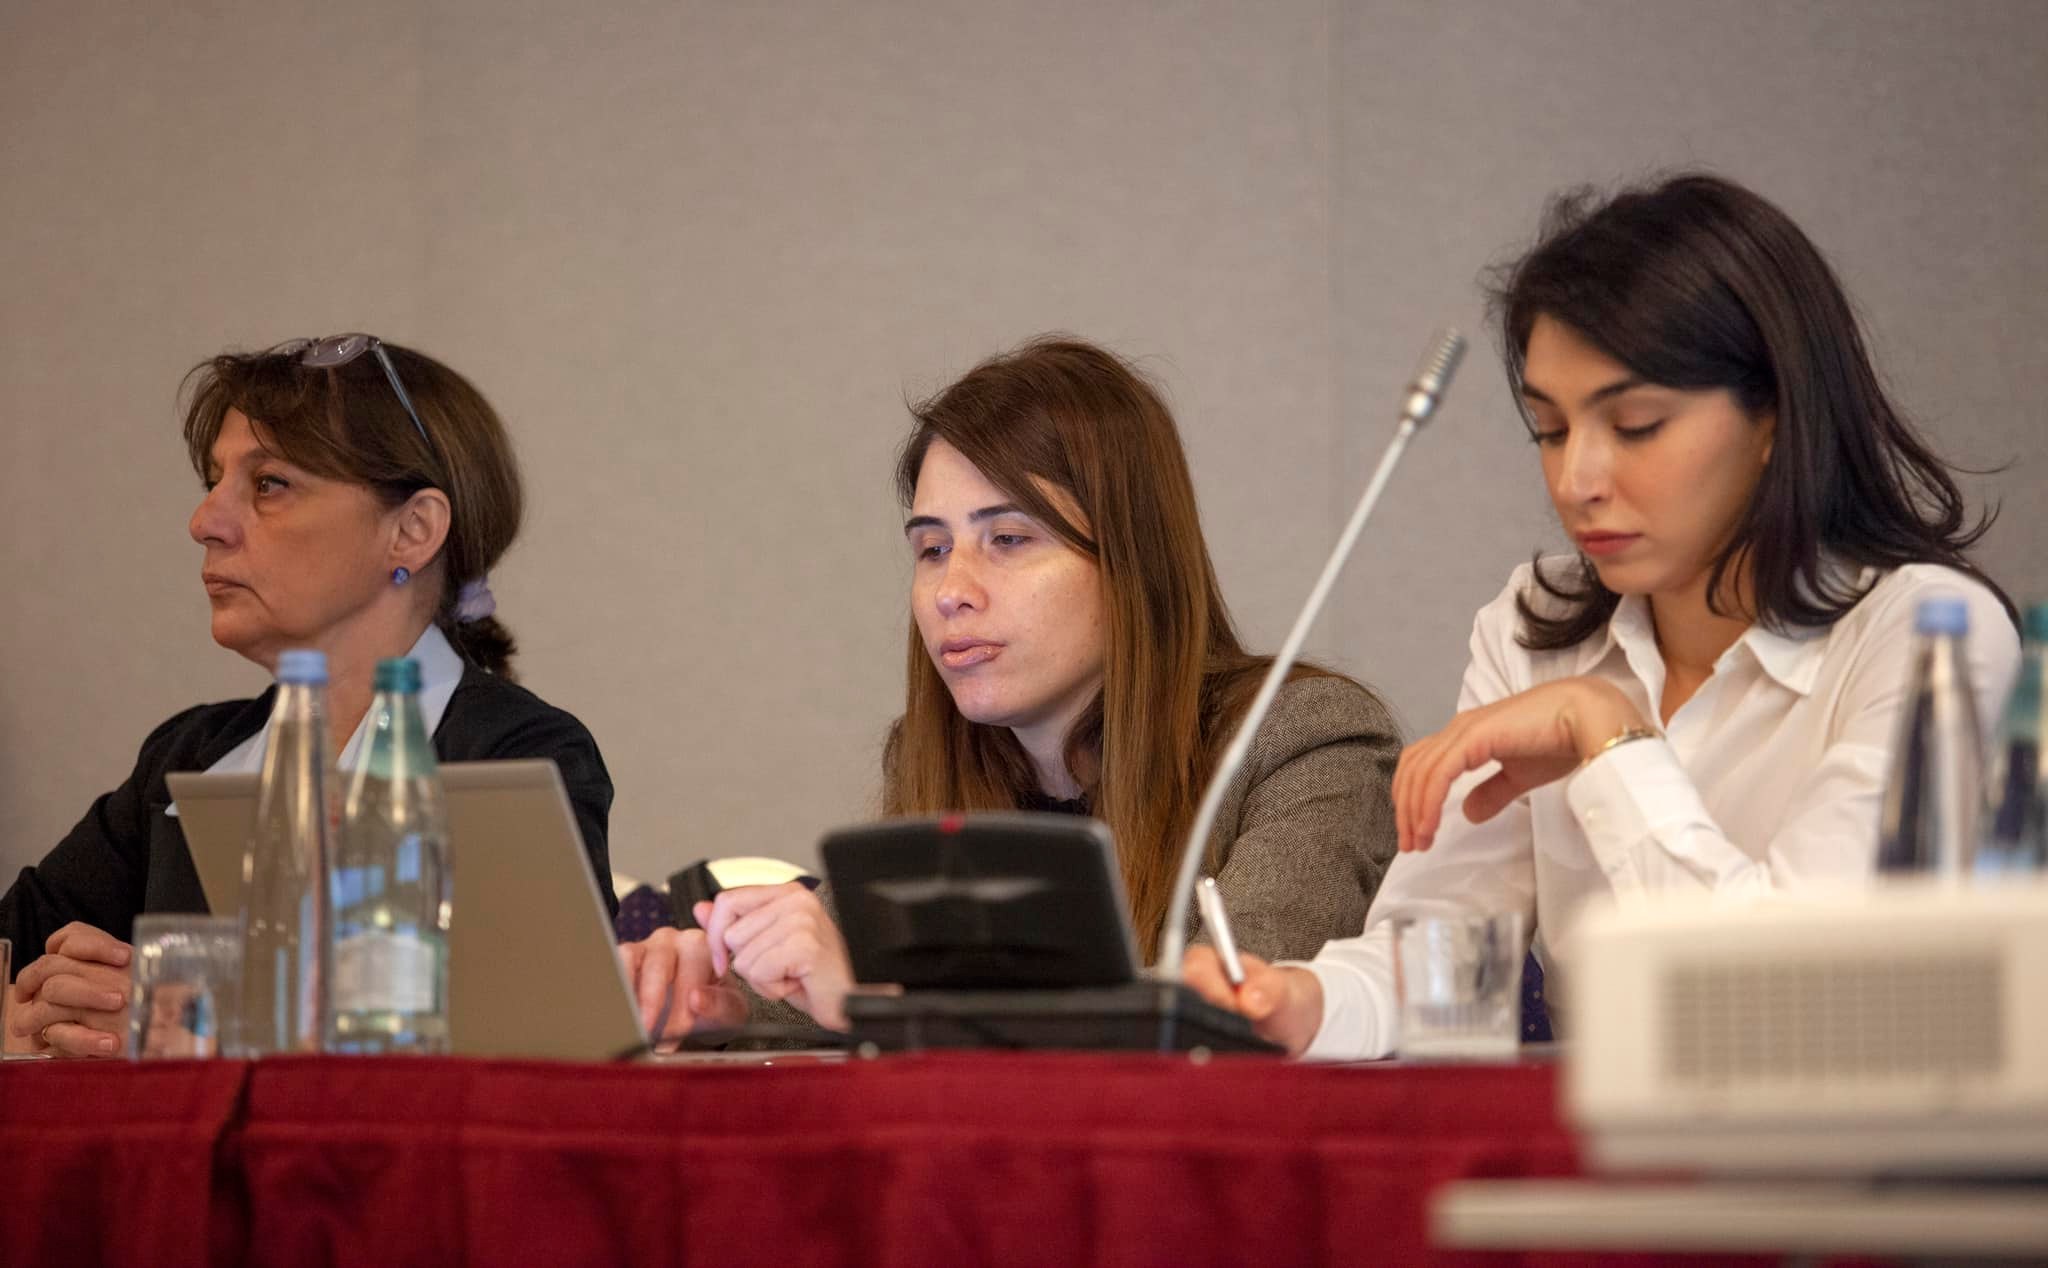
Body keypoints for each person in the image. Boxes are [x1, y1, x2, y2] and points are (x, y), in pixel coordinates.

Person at [1187, 172, 2023, 1058]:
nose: (1577, 480)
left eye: (1635, 425)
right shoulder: (1533, 625)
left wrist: (1611, 735)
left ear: (1774, 416)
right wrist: (1307, 1000)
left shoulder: (1933, 635)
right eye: (1550, 430)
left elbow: (1787, 998)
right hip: (1592, 1133)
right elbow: (1449, 955)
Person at [623, 337, 1401, 1045]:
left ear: (1131, 560)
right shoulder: (936, 758)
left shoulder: (1303, 741)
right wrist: (720, 1001)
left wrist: (877, 999)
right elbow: (821, 985)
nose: (950, 591)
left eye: (1008, 538)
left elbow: (1231, 1019)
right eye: (932, 549)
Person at [2, 334, 616, 1057]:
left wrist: (187, 1019)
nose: (205, 523)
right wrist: (32, 1016)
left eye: (269, 484)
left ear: (412, 531)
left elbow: (548, 1033)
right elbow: (14, 950)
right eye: (213, 482)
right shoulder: (187, 755)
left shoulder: (516, 754)